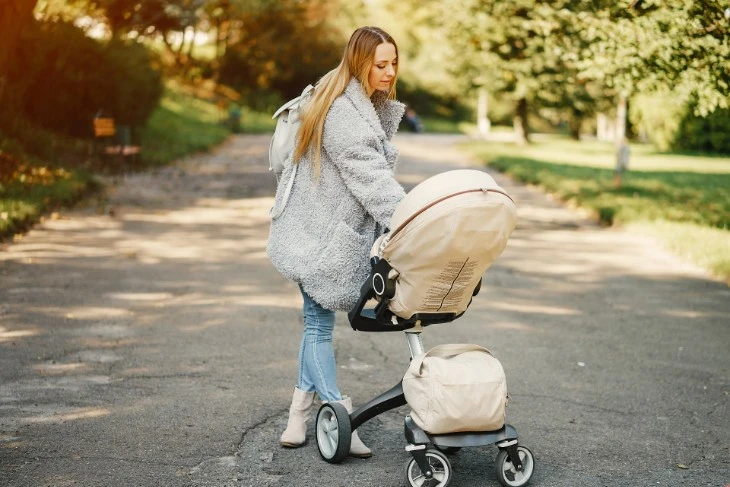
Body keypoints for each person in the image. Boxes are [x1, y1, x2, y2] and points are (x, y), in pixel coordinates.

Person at [266, 26, 406, 458]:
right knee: (318, 324)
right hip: (316, 234)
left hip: (325, 229)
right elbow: (370, 176)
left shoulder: (355, 97)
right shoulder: (346, 110)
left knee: (315, 323)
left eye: (393, 63)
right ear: (360, 61)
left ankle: (297, 413)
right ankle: (341, 413)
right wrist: (412, 218)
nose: (389, 71)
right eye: (380, 64)